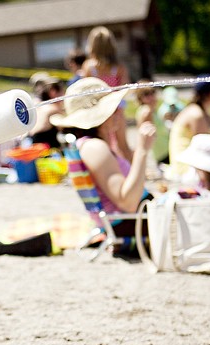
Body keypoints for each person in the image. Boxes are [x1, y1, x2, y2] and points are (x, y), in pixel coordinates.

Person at [50, 77, 156, 250]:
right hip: (133, 225)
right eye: (115, 107)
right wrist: (142, 151)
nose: (120, 112)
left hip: (134, 221)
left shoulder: (94, 144)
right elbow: (127, 202)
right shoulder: (94, 147)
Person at [81, 26, 132, 161]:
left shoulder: (89, 67)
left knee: (105, 145)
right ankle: (132, 172)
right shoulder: (119, 67)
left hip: (99, 112)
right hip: (117, 110)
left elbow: (85, 91)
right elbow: (124, 89)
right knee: (123, 145)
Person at [168, 78, 210, 181]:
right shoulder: (196, 114)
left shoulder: (198, 110)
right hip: (185, 170)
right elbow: (204, 148)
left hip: (186, 165)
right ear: (208, 94)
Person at [134, 82, 169, 165]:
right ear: (140, 97)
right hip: (161, 150)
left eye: (152, 93)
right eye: (146, 94)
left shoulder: (147, 109)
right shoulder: (147, 111)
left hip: (162, 149)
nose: (151, 97)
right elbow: (148, 135)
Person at [28, 73, 65, 149]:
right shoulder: (53, 109)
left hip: (32, 144)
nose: (64, 95)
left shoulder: (39, 105)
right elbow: (64, 128)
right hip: (45, 150)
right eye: (62, 92)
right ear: (53, 92)